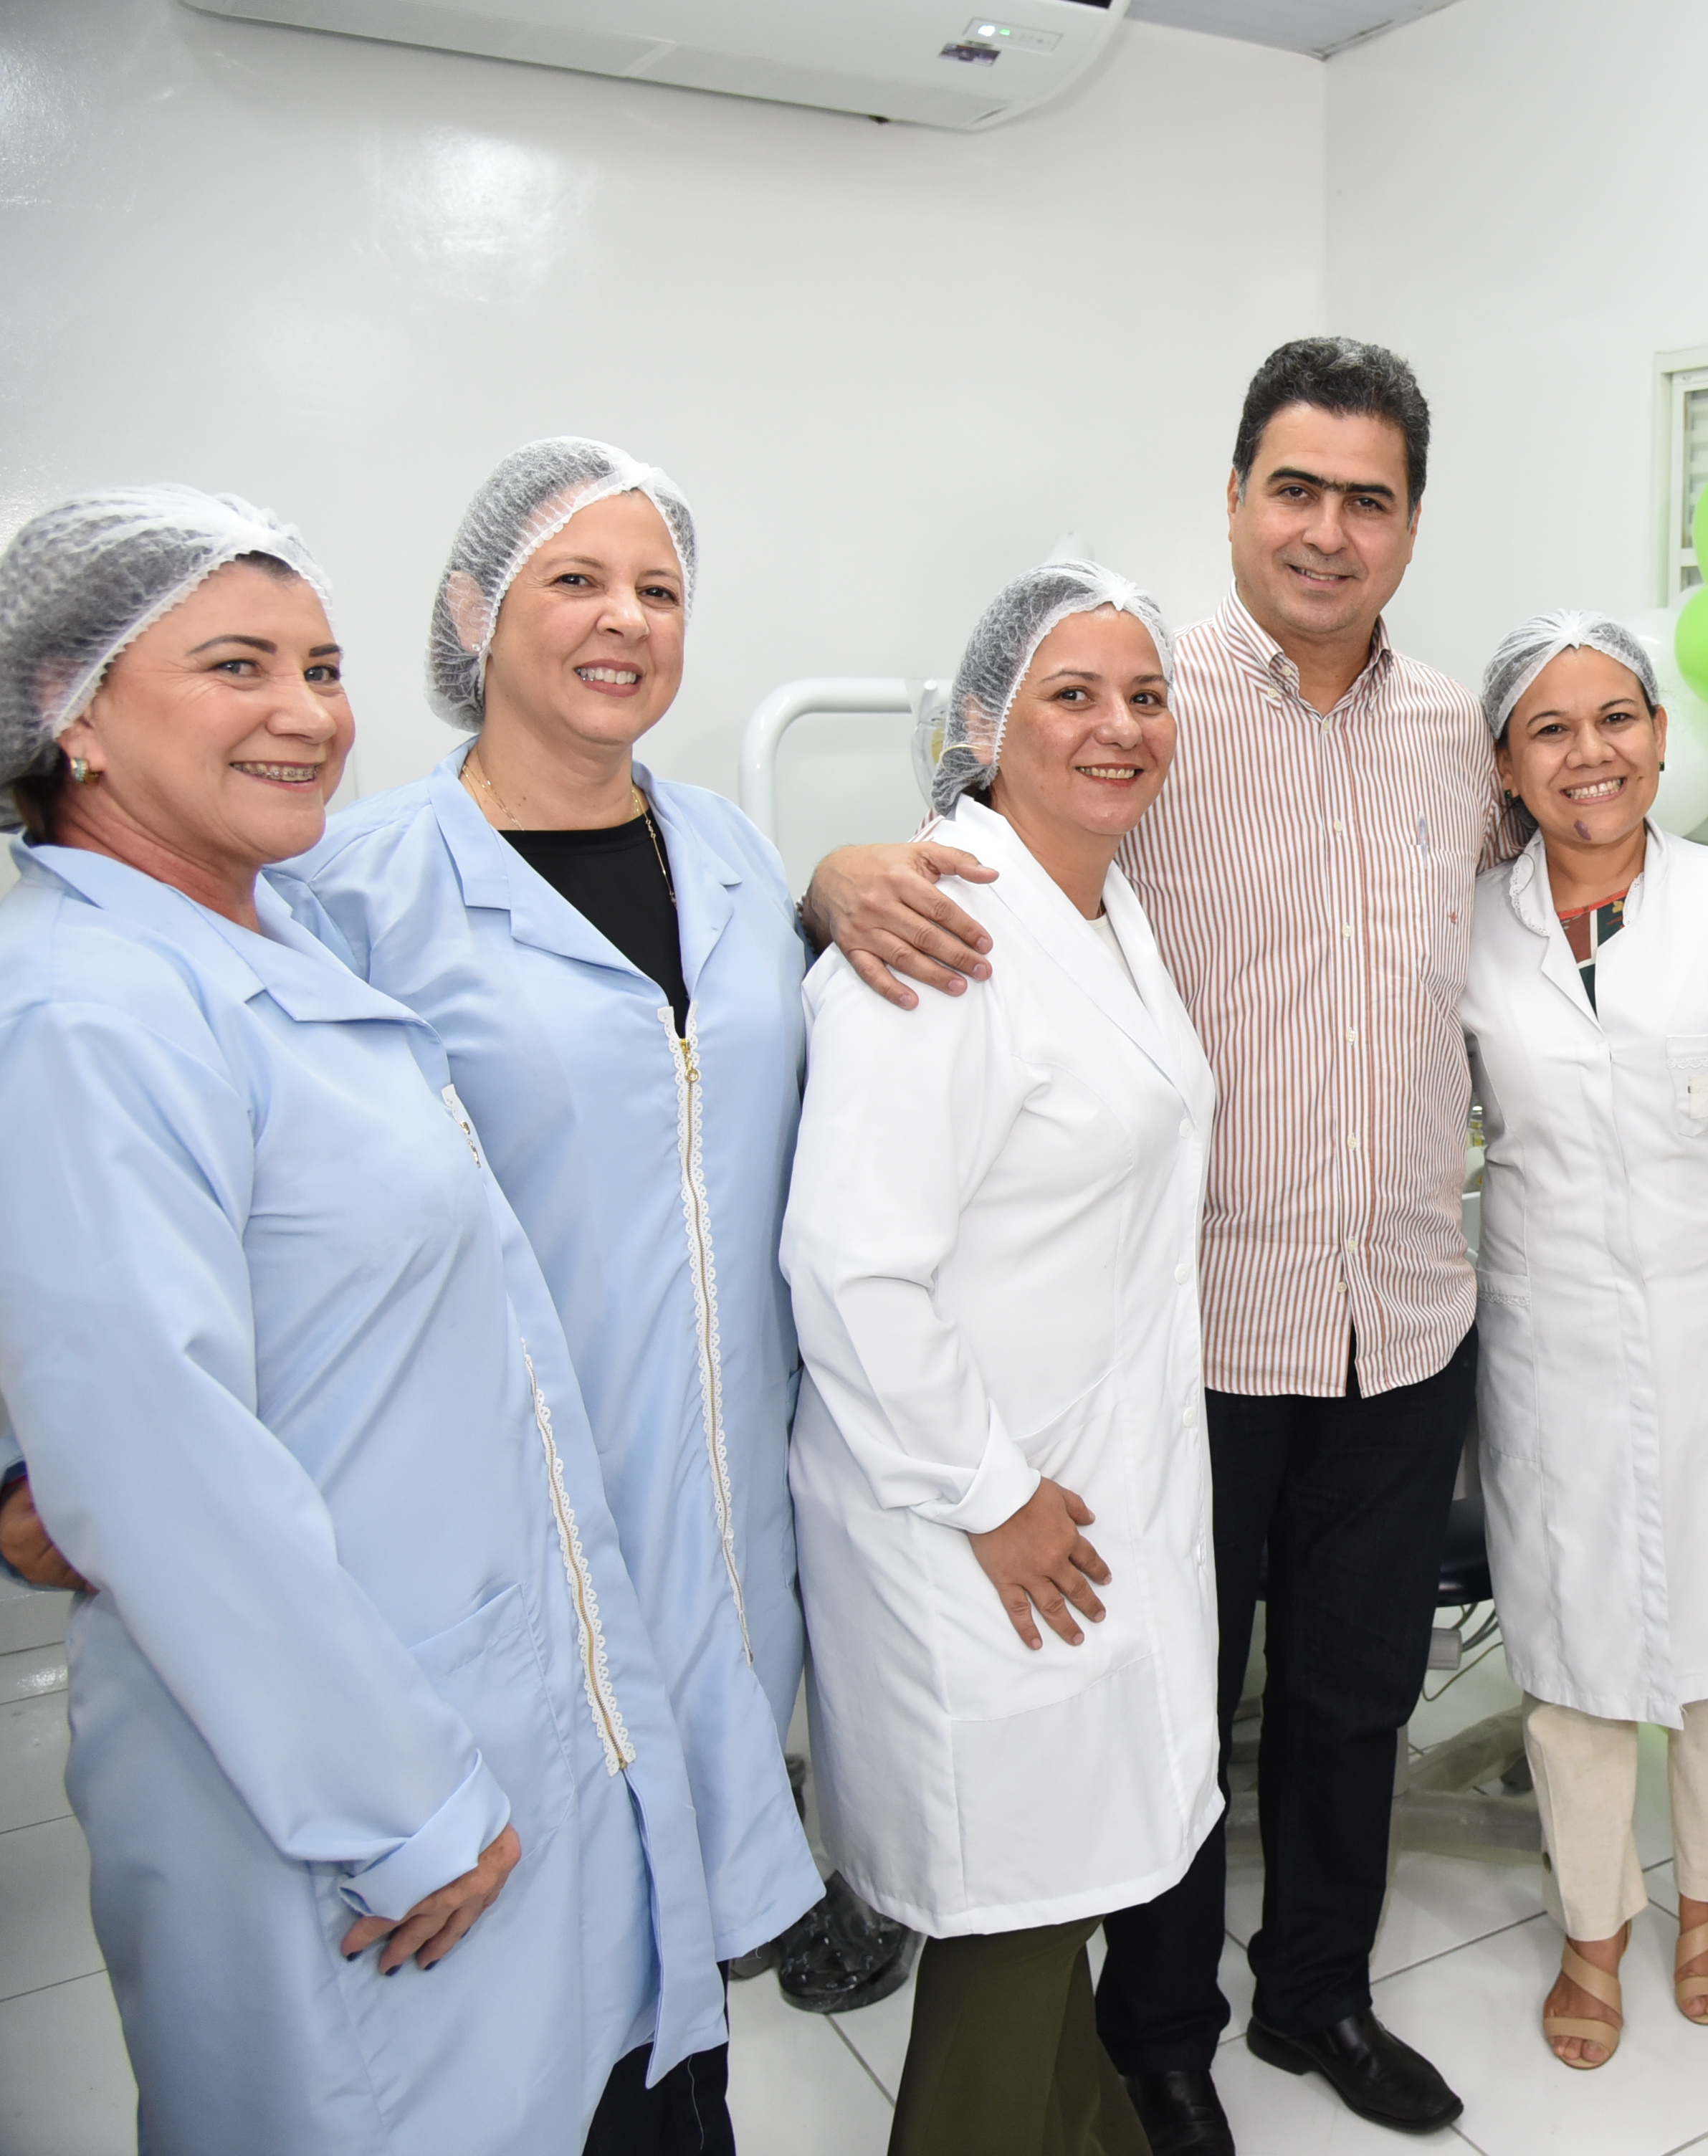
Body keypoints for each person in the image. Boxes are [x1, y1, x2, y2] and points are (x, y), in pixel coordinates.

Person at [803, 337, 1491, 2152]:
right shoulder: (1150, 695)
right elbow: (979, 847)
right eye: (1296, 489)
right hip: (1198, 1321)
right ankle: (1160, 2031)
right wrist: (830, 874)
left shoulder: (1456, 732)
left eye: (1368, 499)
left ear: (1412, 521)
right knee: (1171, 1697)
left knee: (1355, 1691)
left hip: (1404, 1308)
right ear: (1236, 496)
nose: (1328, 531)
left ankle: (1318, 1992)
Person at [0, 487, 725, 2153]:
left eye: (323, 667)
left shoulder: (263, 929)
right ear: (71, 709)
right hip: (352, 1787)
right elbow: (167, 1471)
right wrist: (397, 1803)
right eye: (236, 665)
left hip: (478, 1680)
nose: (308, 712)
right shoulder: (89, 1010)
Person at [290, 440, 824, 2124]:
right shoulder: (355, 888)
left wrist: (842, 882)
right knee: (543, 2021)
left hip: (731, 1519)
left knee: (691, 1994)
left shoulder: (731, 849)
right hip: (508, 1545)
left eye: (658, 588)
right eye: (576, 580)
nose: (626, 619)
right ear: (472, 611)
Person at [781, 559, 1216, 2156]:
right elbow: (850, 1266)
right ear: (981, 724)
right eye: (1072, 694)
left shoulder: (1102, 910)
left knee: (1059, 1898)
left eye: (1146, 696)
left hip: (1087, 1482)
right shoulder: (943, 932)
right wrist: (992, 1491)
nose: (1120, 727)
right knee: (1016, 1920)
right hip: (980, 1511)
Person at [1458, 609, 1708, 2069]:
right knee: (1570, 1652)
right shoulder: (1470, 924)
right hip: (1550, 1344)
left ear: (1659, 733)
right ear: (1506, 764)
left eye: (1617, 717)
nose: (1591, 753)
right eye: (1551, 728)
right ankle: (1592, 1926)